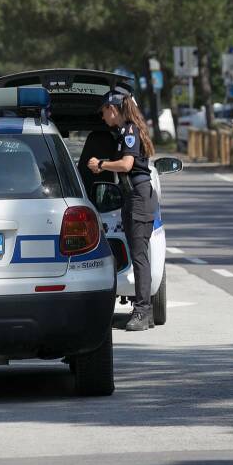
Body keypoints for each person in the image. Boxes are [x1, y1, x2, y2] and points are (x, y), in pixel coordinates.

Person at [88, 91, 160, 332]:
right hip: (136, 195)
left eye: (103, 111)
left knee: (139, 256)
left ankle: (141, 311)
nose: (102, 116)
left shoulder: (129, 130)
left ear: (113, 108)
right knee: (141, 256)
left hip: (138, 196)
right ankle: (145, 312)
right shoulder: (125, 131)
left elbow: (127, 165)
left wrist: (101, 164)